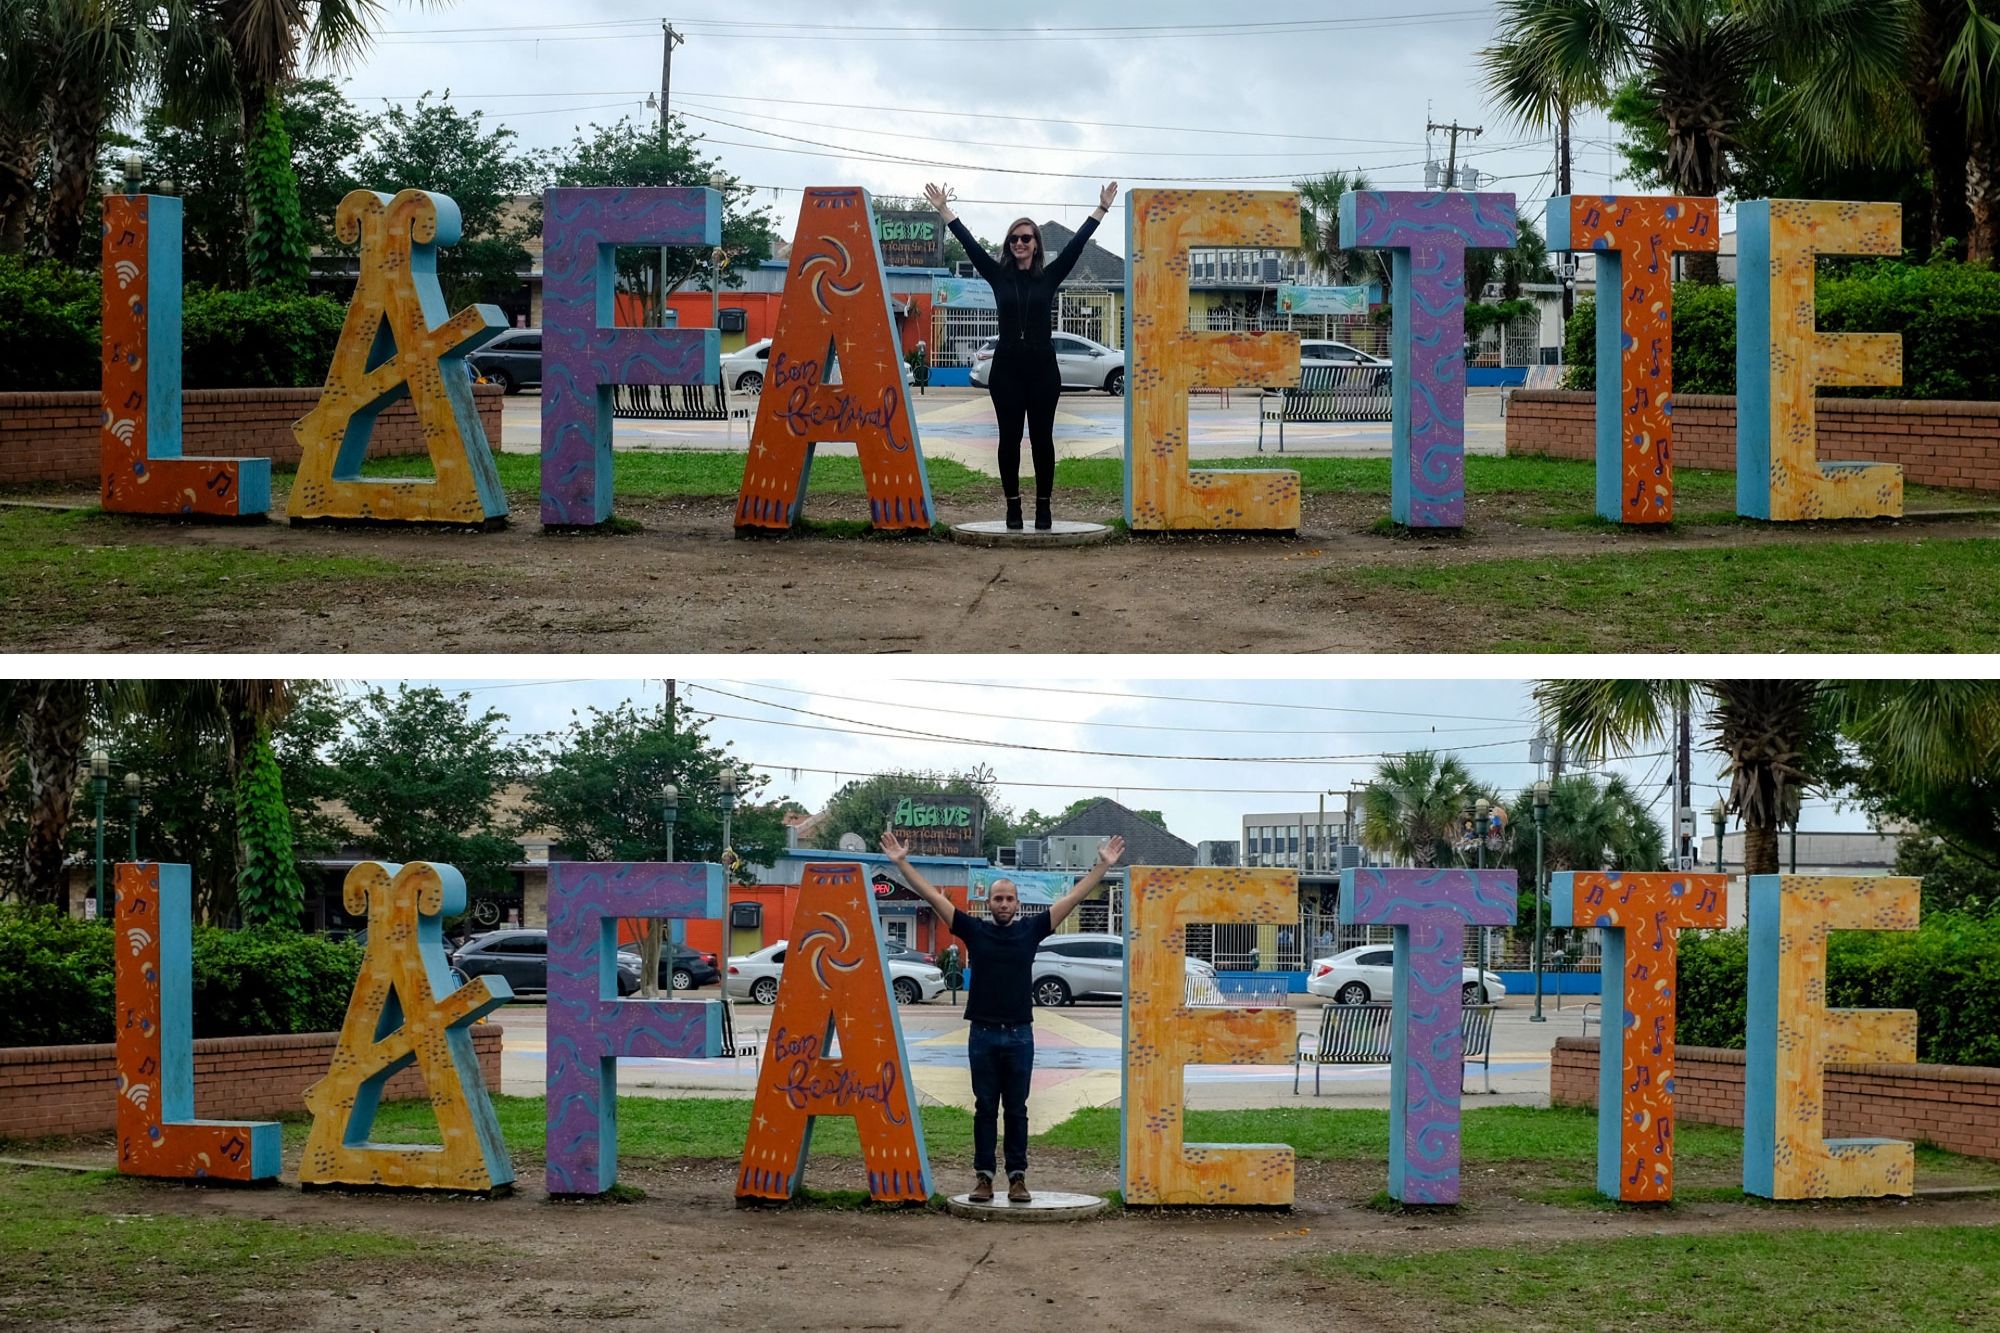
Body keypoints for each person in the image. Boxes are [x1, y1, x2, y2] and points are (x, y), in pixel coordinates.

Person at [880, 828, 1125, 1202]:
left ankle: (1017, 1177)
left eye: (1010, 898)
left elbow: (1073, 897)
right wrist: (901, 863)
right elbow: (932, 895)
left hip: (1019, 1036)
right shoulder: (974, 931)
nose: (1004, 903)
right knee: (983, 1108)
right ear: (989, 903)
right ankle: (983, 1177)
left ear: (1018, 903)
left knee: (1017, 1109)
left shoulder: (1031, 930)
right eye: (998, 898)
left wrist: (1101, 867)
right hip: (982, 1034)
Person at [922, 180, 1117, 531]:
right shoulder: (998, 275)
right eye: (1014, 239)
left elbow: (1077, 245)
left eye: (1026, 238)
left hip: (1043, 370)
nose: (1020, 243)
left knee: (1043, 439)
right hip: (1007, 371)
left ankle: (1044, 508)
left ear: (1035, 244)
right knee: (1009, 439)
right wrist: (944, 210)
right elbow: (968, 242)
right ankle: (1013, 507)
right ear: (1008, 246)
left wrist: (1100, 209)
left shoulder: (1050, 276)